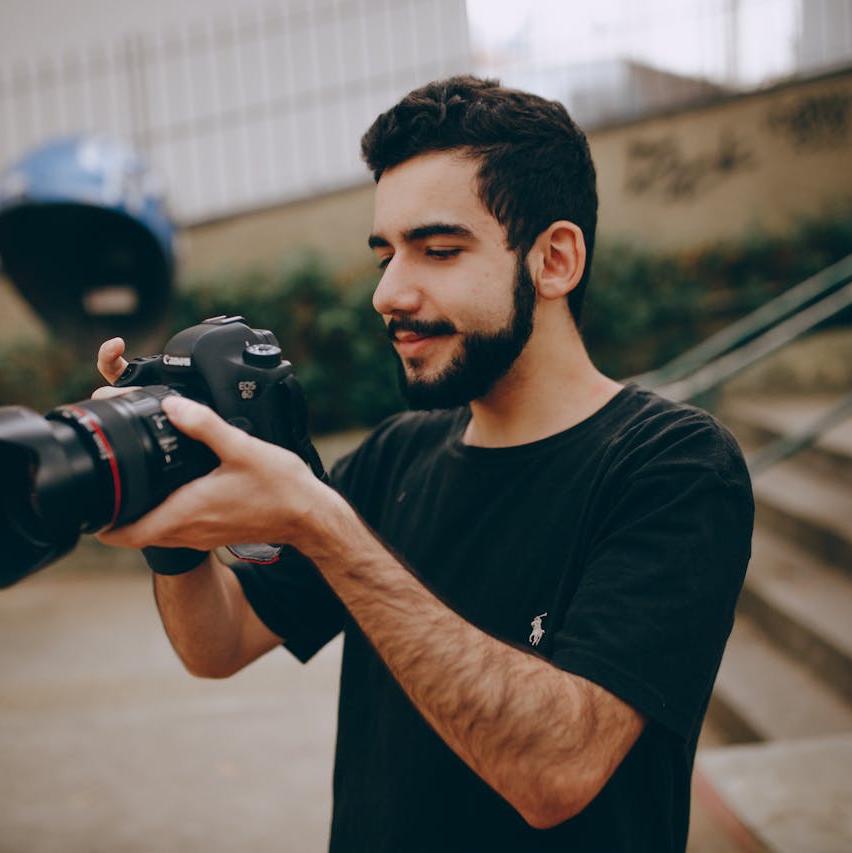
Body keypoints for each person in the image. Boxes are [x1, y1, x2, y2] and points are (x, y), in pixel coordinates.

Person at [94, 76, 753, 852]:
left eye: (439, 250)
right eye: (386, 254)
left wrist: (324, 524)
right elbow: (219, 643)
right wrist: (165, 507)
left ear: (555, 259)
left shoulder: (672, 466)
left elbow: (556, 770)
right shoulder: (396, 455)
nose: (388, 292)